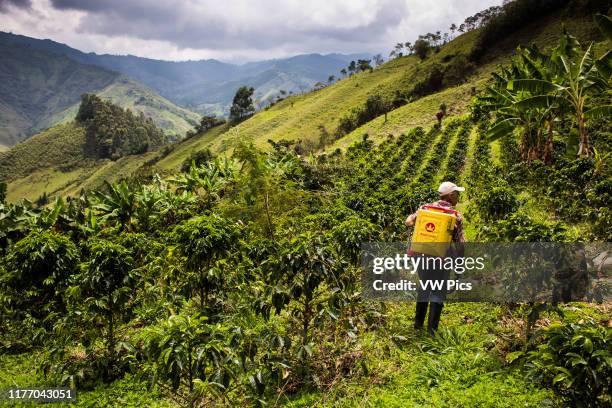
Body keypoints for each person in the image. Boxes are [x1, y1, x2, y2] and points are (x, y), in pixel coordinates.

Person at [405, 181, 466, 334]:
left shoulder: (424, 209)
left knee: (425, 287)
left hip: (420, 257)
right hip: (441, 260)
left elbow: (408, 222)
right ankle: (432, 332)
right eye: (457, 194)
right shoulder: (455, 216)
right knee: (438, 291)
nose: (458, 197)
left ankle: (418, 326)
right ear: (451, 196)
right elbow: (461, 245)